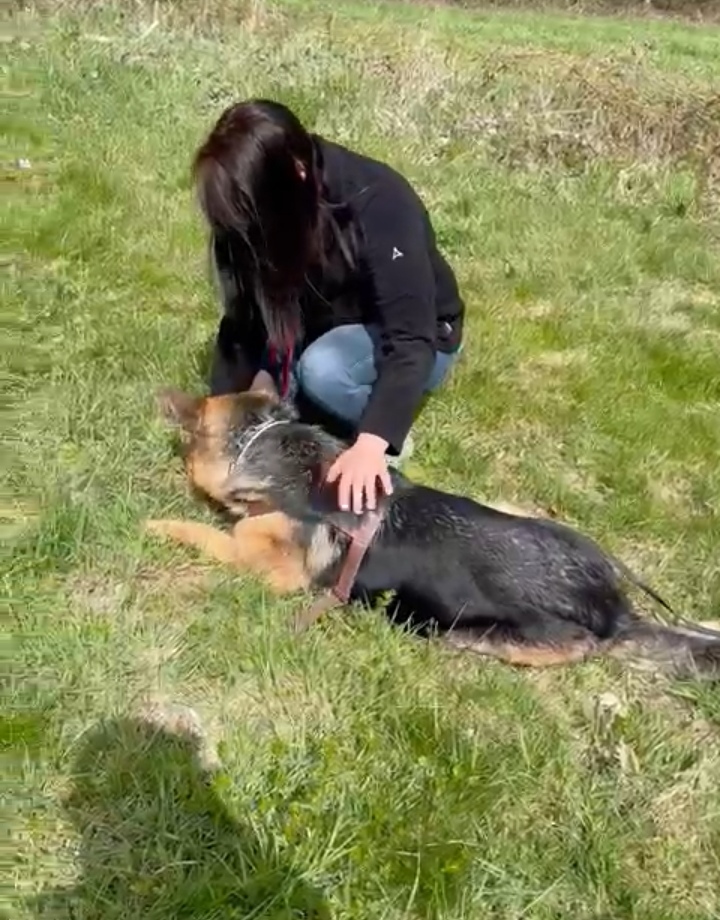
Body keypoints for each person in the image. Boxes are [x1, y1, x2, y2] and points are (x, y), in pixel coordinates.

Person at [193, 99, 465, 514]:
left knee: (323, 370)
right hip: (325, 320)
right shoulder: (258, 205)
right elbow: (244, 315)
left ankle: (388, 429)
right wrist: (238, 400)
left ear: (297, 175)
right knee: (285, 390)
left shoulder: (379, 202)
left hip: (419, 336)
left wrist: (373, 441)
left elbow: (411, 337)